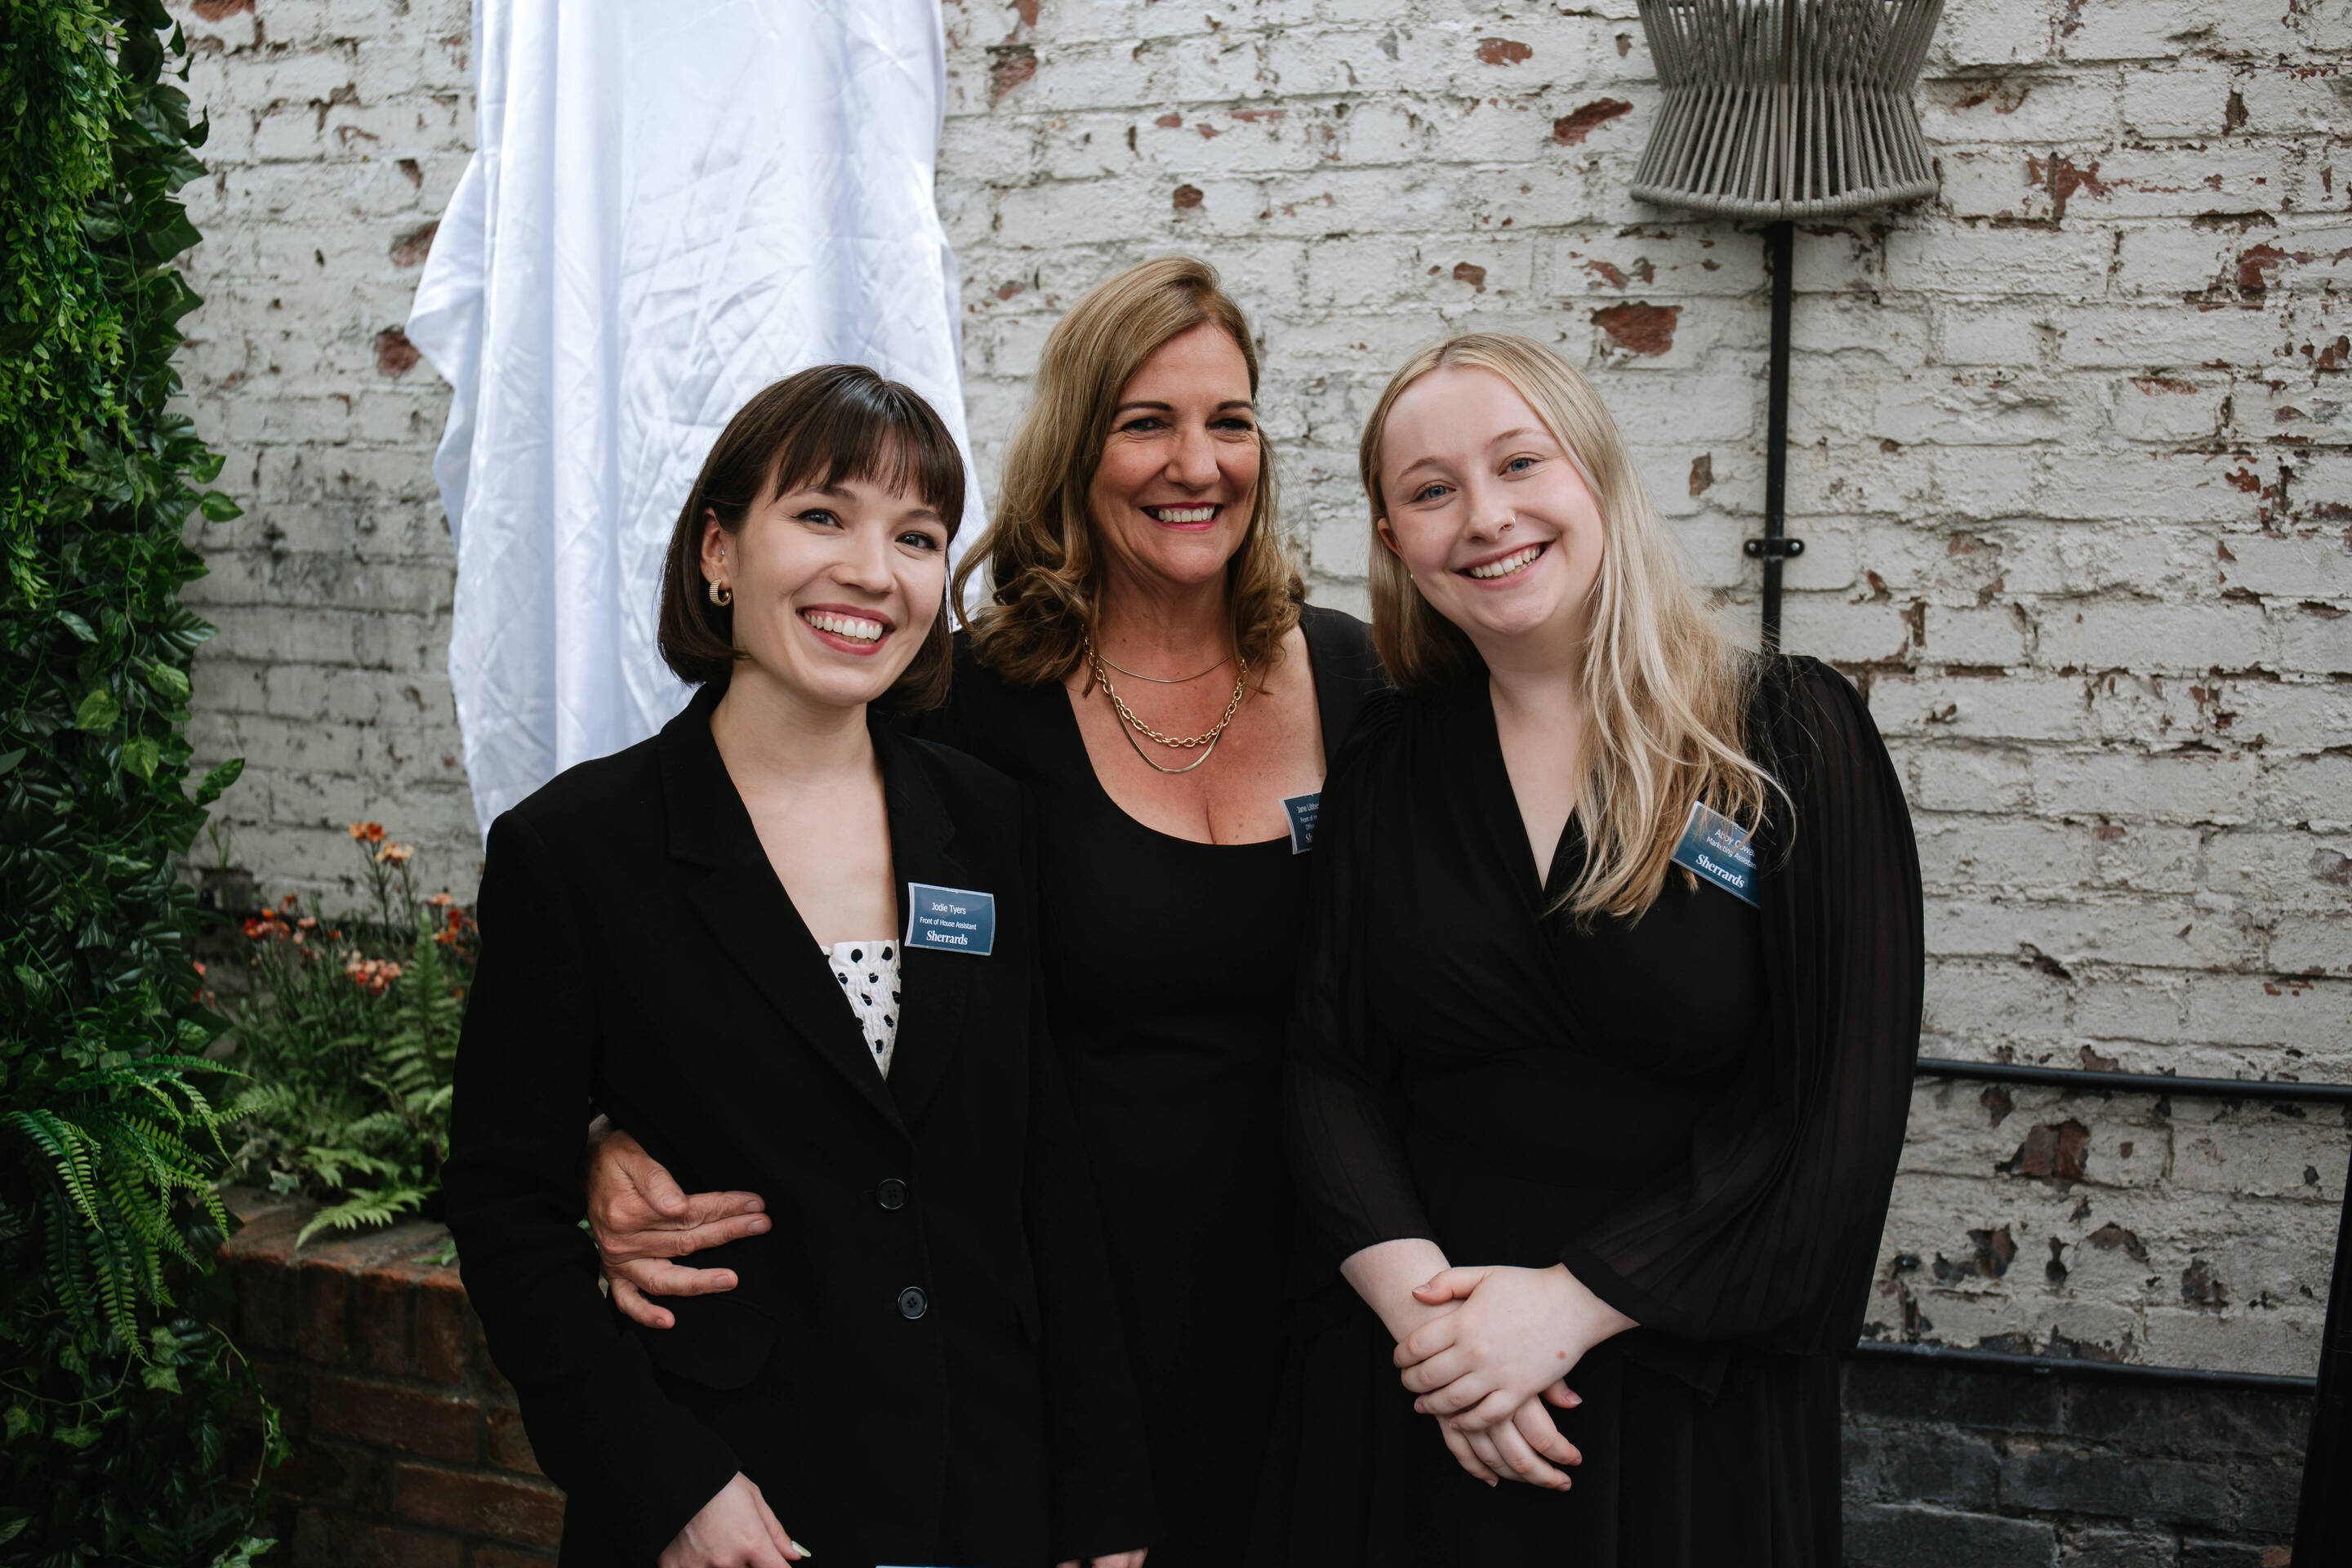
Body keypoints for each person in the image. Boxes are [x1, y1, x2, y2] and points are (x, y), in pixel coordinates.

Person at [579, 258, 1388, 1566]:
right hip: (1064, 1325)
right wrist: (611, 1134)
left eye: (1229, 421)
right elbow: (782, 951)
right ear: (1075, 449)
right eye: (1147, 422)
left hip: (1332, 1297)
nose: (1196, 463)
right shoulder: (966, 702)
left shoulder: (1354, 678)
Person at [441, 365, 1157, 1568]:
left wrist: (1103, 1494)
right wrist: (665, 1486)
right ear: (719, 550)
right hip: (732, 1497)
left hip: (983, 1487)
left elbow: (1041, 1162)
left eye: (916, 536)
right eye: (824, 515)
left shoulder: (986, 822)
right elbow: (504, 1209)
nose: (873, 572)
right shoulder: (577, 852)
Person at [1261, 333, 1922, 1566]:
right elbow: (1327, 1066)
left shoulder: (1784, 734)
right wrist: (1436, 1333)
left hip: (1682, 1394)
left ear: (1598, 474)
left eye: (1520, 463)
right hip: (1425, 1389)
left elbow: (1838, 1113)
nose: (1485, 516)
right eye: (1432, 490)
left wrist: (1570, 1306)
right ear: (1395, 540)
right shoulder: (1391, 759)